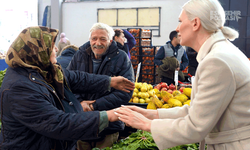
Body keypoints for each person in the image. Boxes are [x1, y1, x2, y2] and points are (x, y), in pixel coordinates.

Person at [114, 0, 250, 150]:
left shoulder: (217, 61)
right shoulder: (220, 53)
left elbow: (195, 126)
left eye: (180, 21)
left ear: (195, 23)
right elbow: (195, 111)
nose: (177, 28)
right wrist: (151, 114)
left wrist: (146, 124)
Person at [0, 26, 134, 150]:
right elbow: (58, 124)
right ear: (37, 51)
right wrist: (107, 115)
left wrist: (110, 81)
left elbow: (77, 78)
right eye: (52, 46)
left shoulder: (42, 71)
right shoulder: (19, 88)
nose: (57, 49)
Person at [67, 23, 135, 150]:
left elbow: (126, 92)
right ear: (90, 40)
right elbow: (69, 84)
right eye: (94, 38)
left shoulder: (121, 58)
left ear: (110, 40)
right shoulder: (79, 56)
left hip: (109, 126)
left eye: (102, 39)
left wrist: (94, 105)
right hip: (82, 122)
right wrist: (80, 103)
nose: (98, 43)